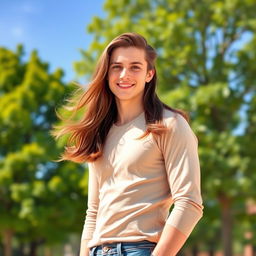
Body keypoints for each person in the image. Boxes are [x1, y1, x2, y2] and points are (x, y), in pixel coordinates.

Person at [53, 32, 203, 256]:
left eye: (135, 67)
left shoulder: (169, 125)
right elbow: (93, 211)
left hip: (139, 249)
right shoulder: (101, 133)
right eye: (117, 67)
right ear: (107, 73)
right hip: (97, 250)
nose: (125, 75)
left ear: (149, 74)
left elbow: (189, 203)